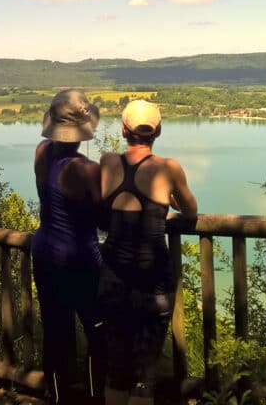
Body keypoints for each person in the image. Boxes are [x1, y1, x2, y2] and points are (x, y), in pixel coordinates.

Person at [98, 99, 198, 405]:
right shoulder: (168, 168)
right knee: (144, 373)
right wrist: (165, 206)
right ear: (159, 131)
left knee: (115, 368)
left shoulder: (107, 162)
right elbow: (191, 212)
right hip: (153, 279)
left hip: (113, 276)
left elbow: (104, 215)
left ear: (123, 130)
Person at [32, 89, 105, 403]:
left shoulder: (41, 152)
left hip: (44, 249)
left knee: (55, 328)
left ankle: (58, 397)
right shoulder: (87, 170)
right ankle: (93, 395)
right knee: (97, 329)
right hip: (79, 257)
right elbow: (104, 221)